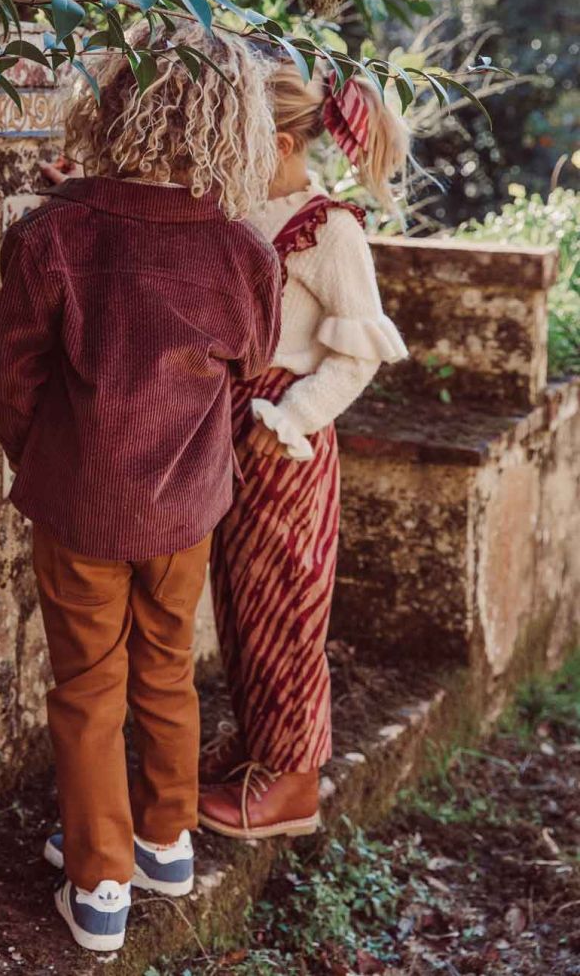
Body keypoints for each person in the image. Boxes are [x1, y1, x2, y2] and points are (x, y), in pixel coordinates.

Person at [0, 22, 282, 953]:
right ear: (236, 124)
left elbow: (10, 373)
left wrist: (43, 459)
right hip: (188, 507)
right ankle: (166, 839)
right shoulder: (244, 251)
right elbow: (251, 362)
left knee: (88, 685)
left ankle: (101, 882)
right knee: (166, 666)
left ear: (113, 103)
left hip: (81, 504)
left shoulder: (53, 235)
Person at [198, 54, 409, 841]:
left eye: (238, 140)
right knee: (240, 603)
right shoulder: (241, 210)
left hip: (284, 444)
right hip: (228, 431)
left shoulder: (331, 231)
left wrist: (292, 417)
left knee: (286, 607)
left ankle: (293, 783)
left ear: (282, 145)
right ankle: (260, 745)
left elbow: (357, 356)